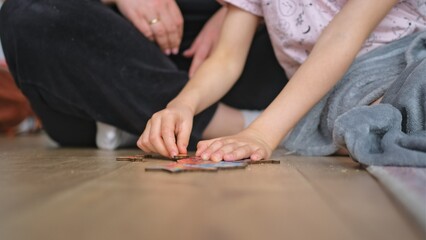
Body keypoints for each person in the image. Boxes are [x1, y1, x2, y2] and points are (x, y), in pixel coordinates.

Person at [137, 0, 426, 161]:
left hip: (399, 59)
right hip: (330, 93)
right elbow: (226, 58)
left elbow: (341, 38)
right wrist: (181, 105)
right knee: (351, 119)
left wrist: (262, 134)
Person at [0, 0, 286, 149]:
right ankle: (233, 125)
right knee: (26, 11)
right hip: (107, 68)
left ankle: (131, 123)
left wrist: (242, 11)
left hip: (239, 67)